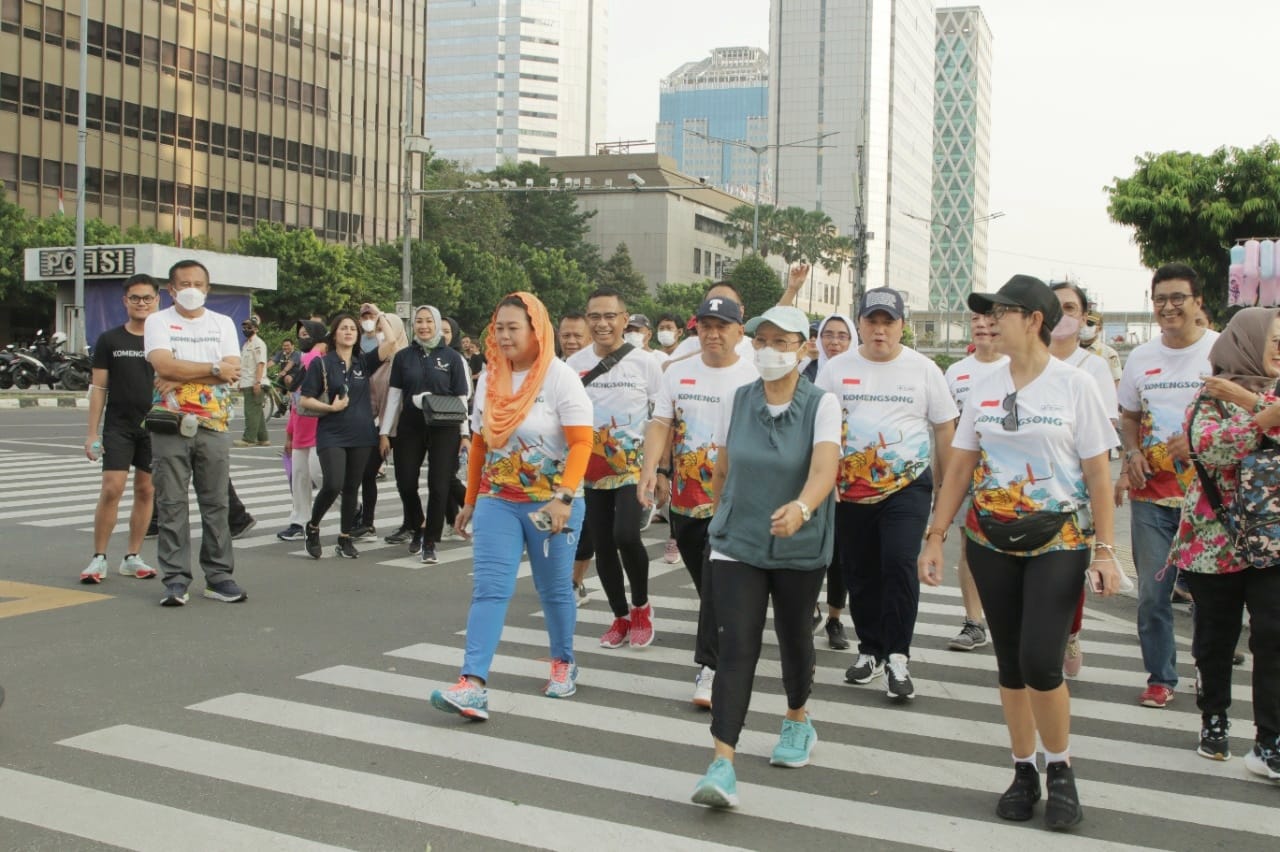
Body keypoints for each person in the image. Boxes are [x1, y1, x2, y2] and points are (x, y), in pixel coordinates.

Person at [920, 274, 1120, 832]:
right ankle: (1022, 770)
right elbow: (960, 464)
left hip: (1059, 539)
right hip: (990, 540)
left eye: (1002, 312)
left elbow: (1098, 475)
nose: (990, 321)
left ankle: (1061, 770)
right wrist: (936, 535)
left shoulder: (1075, 385)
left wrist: (1105, 550)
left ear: (1034, 319)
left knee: (1040, 660)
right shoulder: (983, 385)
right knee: (1010, 662)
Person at [689, 305, 839, 809]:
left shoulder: (823, 404)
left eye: (783, 341)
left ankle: (797, 718)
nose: (771, 350)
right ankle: (722, 763)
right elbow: (723, 466)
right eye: (763, 340)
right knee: (736, 647)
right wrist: (722, 515)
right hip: (739, 543)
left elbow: (824, 470)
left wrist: (801, 507)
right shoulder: (737, 399)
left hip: (799, 541)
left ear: (804, 347)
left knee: (794, 635)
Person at [430, 292, 591, 719]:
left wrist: (563, 498)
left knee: (555, 589)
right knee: (489, 589)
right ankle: (473, 683)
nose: (502, 336)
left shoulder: (559, 377)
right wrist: (468, 499)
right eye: (497, 328)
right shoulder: (490, 377)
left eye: (512, 328)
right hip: (497, 499)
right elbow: (482, 441)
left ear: (536, 330)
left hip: (550, 505)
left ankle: (563, 662)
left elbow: (581, 444)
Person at [815, 286, 958, 699]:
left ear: (901, 326)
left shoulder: (924, 369)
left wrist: (945, 485)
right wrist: (825, 479)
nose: (880, 331)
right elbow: (820, 426)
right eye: (871, 322)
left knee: (898, 562)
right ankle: (871, 650)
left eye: (888, 322)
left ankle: (898, 656)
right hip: (851, 488)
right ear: (859, 325)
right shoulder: (837, 369)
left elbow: (945, 427)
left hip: (907, 485)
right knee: (860, 571)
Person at [1166, 307, 1280, 779]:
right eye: (1274, 338)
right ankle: (1214, 716)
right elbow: (1207, 449)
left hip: (1271, 541)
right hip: (1214, 541)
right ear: (1247, 341)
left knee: (1273, 635)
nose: (1279, 347)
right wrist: (1262, 419)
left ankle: (1269, 739)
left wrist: (1255, 406)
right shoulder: (1210, 397)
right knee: (1216, 638)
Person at [639, 296, 757, 706]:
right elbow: (661, 424)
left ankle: (709, 667)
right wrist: (650, 469)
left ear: (740, 331)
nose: (712, 333)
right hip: (686, 501)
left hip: (735, 500)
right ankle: (732, 627)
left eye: (722, 325)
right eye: (705, 325)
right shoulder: (679, 373)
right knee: (709, 583)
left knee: (715, 574)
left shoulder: (755, 375)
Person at [1118, 262, 1216, 708]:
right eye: (1160, 299)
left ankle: (1207, 673)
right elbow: (1130, 418)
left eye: (1178, 298)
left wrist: (1197, 443)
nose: (1168, 306)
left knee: (1209, 599)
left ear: (1198, 302)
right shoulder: (1141, 357)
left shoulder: (1222, 350)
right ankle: (1161, 676)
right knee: (1153, 595)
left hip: (1211, 500)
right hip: (1152, 498)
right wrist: (1133, 454)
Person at [143, 259, 245, 606]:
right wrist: (213, 368)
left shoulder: (223, 323)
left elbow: (233, 372)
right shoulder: (158, 321)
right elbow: (162, 364)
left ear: (207, 288)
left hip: (214, 423)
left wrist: (184, 374)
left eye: (198, 284)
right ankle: (175, 579)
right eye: (183, 283)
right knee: (171, 503)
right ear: (170, 290)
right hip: (170, 423)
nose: (191, 289)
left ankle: (219, 576)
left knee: (215, 502)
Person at [567, 287, 664, 648]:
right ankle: (621, 616)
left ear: (625, 320)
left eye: (610, 316)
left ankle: (641, 607)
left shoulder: (646, 363)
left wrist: (661, 470)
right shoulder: (573, 365)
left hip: (634, 469)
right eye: (595, 316)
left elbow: (663, 417)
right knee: (603, 545)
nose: (602, 323)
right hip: (591, 470)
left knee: (626, 535)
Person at [1049, 280, 1120, 677]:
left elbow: (1101, 442)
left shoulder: (1092, 367)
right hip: (1026, 496)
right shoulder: (1024, 361)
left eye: (1071, 308)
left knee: (1066, 578)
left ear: (1083, 316)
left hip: (1073, 497)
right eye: (1055, 306)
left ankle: (1069, 632)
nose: (1063, 315)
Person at [81, 273, 160, 584]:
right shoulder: (110, 339)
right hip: (119, 426)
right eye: (135, 298)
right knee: (112, 488)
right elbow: (98, 388)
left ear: (158, 301)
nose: (141, 303)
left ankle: (132, 556)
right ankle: (98, 557)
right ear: (125, 301)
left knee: (146, 489)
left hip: (156, 427)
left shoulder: (164, 340)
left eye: (147, 298)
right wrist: (92, 433)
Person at [298, 311, 396, 559]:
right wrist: (330, 408)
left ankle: (344, 537)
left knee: (352, 487)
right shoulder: (322, 363)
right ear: (334, 333)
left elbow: (391, 343)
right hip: (332, 433)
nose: (349, 331)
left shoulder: (364, 361)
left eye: (353, 328)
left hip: (362, 434)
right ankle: (313, 526)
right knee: (333, 484)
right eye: (344, 328)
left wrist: (379, 314)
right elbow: (306, 400)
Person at [941, 311, 1009, 650]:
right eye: (976, 320)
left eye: (990, 319)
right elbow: (946, 430)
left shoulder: (1016, 367)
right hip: (968, 474)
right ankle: (973, 623)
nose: (982, 325)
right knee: (970, 547)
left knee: (1009, 549)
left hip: (1009, 478)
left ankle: (1012, 618)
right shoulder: (956, 372)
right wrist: (943, 483)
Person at [380, 306, 469, 563]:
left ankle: (430, 540)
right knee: (405, 481)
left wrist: (464, 435)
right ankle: (418, 523)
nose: (424, 326)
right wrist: (385, 432)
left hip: (445, 426)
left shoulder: (452, 357)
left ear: (438, 324)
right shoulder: (404, 357)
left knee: (439, 486)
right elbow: (395, 397)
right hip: (410, 425)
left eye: (429, 321)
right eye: (419, 321)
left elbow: (461, 397)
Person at [800, 311, 856, 650]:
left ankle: (836, 618)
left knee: (839, 554)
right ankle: (809, 607)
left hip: (849, 477)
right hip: (808, 472)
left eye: (842, 336)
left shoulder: (862, 373)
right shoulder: (805, 373)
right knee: (809, 545)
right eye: (828, 335)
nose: (834, 342)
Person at [353, 306, 408, 541]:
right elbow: (373, 401)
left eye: (382, 329)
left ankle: (412, 523)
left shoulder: (404, 358)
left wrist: (380, 314)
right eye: (377, 330)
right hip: (383, 428)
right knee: (367, 472)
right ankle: (367, 523)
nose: (379, 334)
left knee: (407, 479)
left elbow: (394, 344)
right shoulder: (376, 363)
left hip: (406, 428)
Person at [275, 320, 326, 542]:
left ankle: (354, 509)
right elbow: (295, 404)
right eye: (300, 335)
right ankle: (299, 521)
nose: (303, 338)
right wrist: (289, 434)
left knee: (322, 476)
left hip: (320, 430)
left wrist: (318, 349)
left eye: (307, 334)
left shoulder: (320, 362)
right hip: (300, 433)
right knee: (299, 478)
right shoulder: (302, 366)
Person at [234, 315, 270, 448]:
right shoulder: (246, 344)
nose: (245, 329)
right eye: (244, 327)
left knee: (250, 412)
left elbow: (260, 364)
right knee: (257, 412)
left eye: (249, 327)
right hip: (247, 382)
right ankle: (263, 438)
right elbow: (245, 366)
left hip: (255, 383)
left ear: (256, 329)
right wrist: (240, 382)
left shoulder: (258, 344)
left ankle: (248, 439)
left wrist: (258, 382)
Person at [1078, 309, 1122, 384]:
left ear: (1100, 328)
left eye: (1089, 324)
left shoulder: (1109, 354)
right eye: (1082, 323)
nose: (1084, 327)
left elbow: (1117, 383)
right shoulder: (1069, 350)